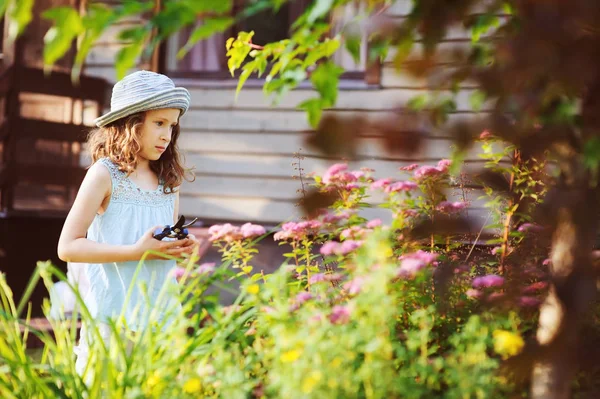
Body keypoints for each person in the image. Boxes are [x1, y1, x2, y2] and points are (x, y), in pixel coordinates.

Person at [56, 70, 199, 377]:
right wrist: (136, 251)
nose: (167, 135)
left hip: (160, 318)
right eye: (158, 123)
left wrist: (181, 245)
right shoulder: (105, 174)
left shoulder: (168, 180)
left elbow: (161, 243)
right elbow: (68, 247)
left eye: (172, 126)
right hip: (113, 318)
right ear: (130, 123)